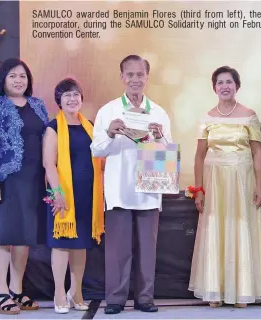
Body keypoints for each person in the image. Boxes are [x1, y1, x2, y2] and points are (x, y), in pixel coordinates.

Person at [90, 54, 172, 315]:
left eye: (140, 74)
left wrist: (161, 139)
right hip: (118, 189)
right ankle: (115, 299)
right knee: (117, 249)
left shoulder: (158, 112)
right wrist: (110, 133)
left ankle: (145, 298)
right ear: (122, 77)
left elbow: (167, 153)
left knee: (148, 248)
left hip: (149, 187)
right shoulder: (109, 110)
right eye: (130, 74)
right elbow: (97, 150)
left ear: (147, 77)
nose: (135, 79)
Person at [188, 66, 261, 308]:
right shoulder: (207, 117)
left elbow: (257, 151)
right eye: (220, 82)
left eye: (229, 82)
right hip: (215, 182)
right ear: (214, 88)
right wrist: (199, 189)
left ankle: (242, 290)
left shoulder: (249, 115)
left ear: (237, 86)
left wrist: (258, 184)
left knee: (240, 227)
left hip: (242, 180)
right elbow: (199, 155)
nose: (225, 86)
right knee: (215, 229)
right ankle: (214, 290)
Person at [0, 58, 48, 315]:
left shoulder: (38, 106)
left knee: (23, 238)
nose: (19, 80)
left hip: (32, 181)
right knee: (2, 236)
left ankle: (17, 290)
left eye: (23, 76)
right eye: (13, 76)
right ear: (3, 80)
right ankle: (2, 292)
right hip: (4, 181)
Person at [42, 78, 104, 314]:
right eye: (66, 95)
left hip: (87, 194)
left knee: (81, 245)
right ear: (59, 100)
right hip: (63, 194)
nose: (72, 99)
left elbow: (100, 156)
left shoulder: (89, 125)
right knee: (61, 245)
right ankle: (59, 292)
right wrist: (57, 193)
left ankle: (76, 292)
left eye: (76, 94)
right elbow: (49, 164)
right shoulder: (53, 127)